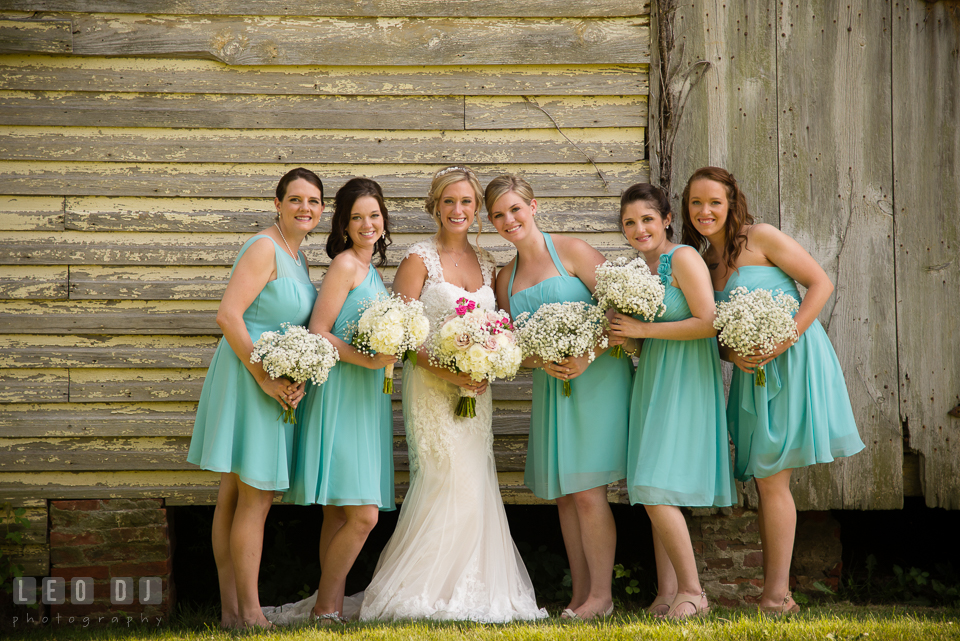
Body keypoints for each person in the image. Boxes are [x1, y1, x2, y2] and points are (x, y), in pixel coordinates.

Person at [357, 165, 546, 622]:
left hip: (476, 391)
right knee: (445, 478)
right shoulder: (419, 260)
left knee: (475, 480)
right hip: (430, 387)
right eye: (448, 202)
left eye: (466, 202)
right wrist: (447, 369)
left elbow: (499, 328)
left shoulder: (487, 264)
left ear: (476, 209)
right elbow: (401, 337)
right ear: (435, 206)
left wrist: (490, 358)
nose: (457, 210)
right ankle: (422, 589)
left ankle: (471, 586)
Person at [680, 166, 865, 614]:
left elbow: (821, 282)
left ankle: (777, 596)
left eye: (714, 202)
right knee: (767, 478)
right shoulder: (703, 264)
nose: (706, 211)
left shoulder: (760, 237)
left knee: (772, 476)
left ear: (731, 203)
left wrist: (787, 337)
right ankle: (776, 595)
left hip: (795, 358)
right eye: (696, 204)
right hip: (752, 371)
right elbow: (714, 334)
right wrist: (733, 356)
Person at [487, 174, 632, 620]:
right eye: (497, 215)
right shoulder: (504, 278)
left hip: (598, 379)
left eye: (515, 209)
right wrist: (538, 361)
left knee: (588, 492)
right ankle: (581, 594)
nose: (509, 219)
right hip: (554, 386)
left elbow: (622, 312)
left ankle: (602, 597)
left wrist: (587, 356)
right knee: (567, 495)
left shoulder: (572, 251)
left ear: (534, 207)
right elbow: (514, 349)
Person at [186, 167, 324, 629]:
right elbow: (229, 315)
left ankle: (231, 614)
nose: (305, 208)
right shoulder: (264, 247)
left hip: (270, 376)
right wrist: (265, 378)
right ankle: (249, 612)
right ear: (278, 204)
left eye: (314, 201)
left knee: (234, 493)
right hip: (250, 377)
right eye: (296, 200)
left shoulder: (297, 256)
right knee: (257, 496)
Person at [607, 183, 736, 619]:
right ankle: (667, 593)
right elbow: (643, 338)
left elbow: (707, 322)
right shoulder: (636, 270)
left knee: (654, 485)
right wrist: (623, 334)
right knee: (653, 486)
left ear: (665, 219)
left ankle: (695, 592)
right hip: (654, 377)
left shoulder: (683, 257)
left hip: (686, 378)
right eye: (629, 223)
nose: (639, 228)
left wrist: (641, 331)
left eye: (646, 219)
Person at [282, 177, 398, 623]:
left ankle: (324, 604)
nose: (367, 223)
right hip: (343, 393)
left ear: (383, 219)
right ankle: (327, 608)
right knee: (363, 515)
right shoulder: (346, 265)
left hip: (367, 399)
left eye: (374, 214)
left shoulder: (372, 272)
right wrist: (368, 362)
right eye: (357, 217)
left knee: (337, 511)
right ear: (344, 226)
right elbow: (319, 330)